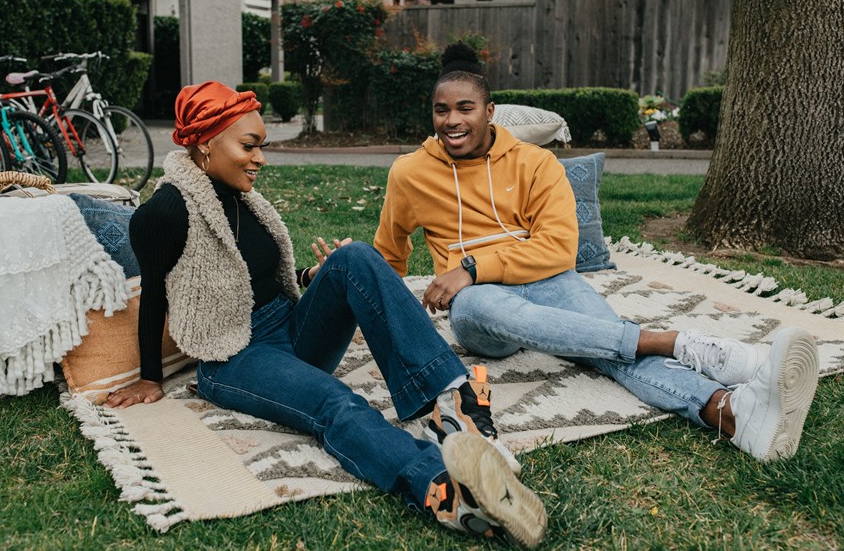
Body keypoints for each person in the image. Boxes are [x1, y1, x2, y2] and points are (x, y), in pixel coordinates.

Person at [104, 81, 546, 548]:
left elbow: (251, 274)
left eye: (261, 147)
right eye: (249, 146)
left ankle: (452, 401)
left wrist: (313, 275)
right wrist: (149, 377)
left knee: (356, 257)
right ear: (205, 144)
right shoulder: (166, 211)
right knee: (336, 402)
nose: (260, 159)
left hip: (289, 328)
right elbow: (154, 295)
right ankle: (443, 491)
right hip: (236, 355)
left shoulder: (238, 195)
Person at [374, 44, 820, 462]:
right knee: (482, 304)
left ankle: (728, 412)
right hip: (480, 309)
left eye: (465, 108)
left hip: (544, 281)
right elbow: (389, 254)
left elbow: (559, 249)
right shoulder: (410, 173)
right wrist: (366, 304)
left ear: (489, 112)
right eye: (442, 110)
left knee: (606, 345)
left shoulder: (535, 162)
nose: (452, 120)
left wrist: (471, 268)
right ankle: (675, 342)